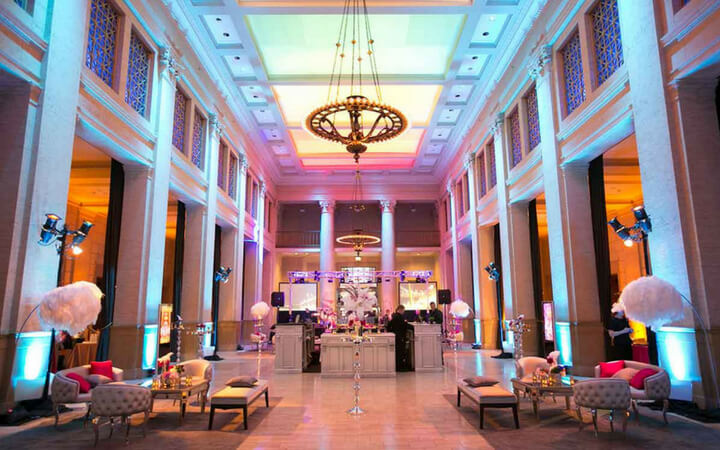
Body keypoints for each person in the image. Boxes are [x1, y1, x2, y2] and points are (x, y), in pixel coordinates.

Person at [387, 305, 410, 371]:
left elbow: (389, 325)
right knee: (401, 352)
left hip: (396, 336)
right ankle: (400, 367)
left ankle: (398, 366)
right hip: (400, 336)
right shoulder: (399, 317)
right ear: (400, 309)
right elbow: (403, 326)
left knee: (397, 352)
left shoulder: (394, 316)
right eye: (403, 310)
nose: (403, 312)